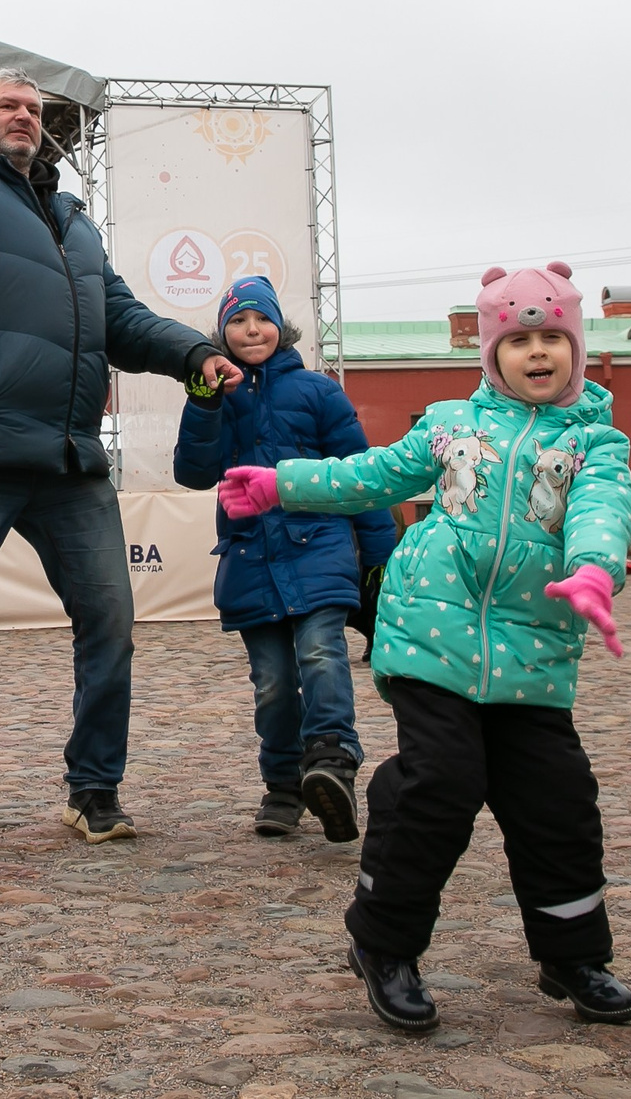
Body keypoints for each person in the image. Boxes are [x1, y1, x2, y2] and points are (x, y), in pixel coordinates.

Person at [0, 31, 244, 860]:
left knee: (111, 621)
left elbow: (121, 321)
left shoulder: (73, 223)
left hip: (66, 460)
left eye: (34, 109)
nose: (23, 116)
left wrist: (196, 353)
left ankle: (94, 790)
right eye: (6, 106)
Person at [217, 263, 631, 1032]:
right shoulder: (453, 424)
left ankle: (574, 954)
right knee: (442, 785)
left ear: (575, 348)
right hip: (430, 638)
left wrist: (592, 575)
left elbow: (603, 515)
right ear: (492, 352)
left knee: (558, 801)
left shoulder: (598, 445)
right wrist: (282, 484)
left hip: (534, 656)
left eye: (553, 338)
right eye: (520, 340)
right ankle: (384, 944)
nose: (538, 352)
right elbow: (370, 477)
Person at [173, 277, 395, 843]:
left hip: (319, 547)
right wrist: (204, 403)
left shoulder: (319, 392)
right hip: (251, 560)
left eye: (262, 319)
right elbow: (193, 473)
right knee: (272, 683)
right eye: (239, 321)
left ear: (281, 327)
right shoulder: (213, 394)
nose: (252, 330)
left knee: (322, 653)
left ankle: (332, 759)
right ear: (222, 333)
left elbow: (362, 477)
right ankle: (283, 787)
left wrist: (379, 559)